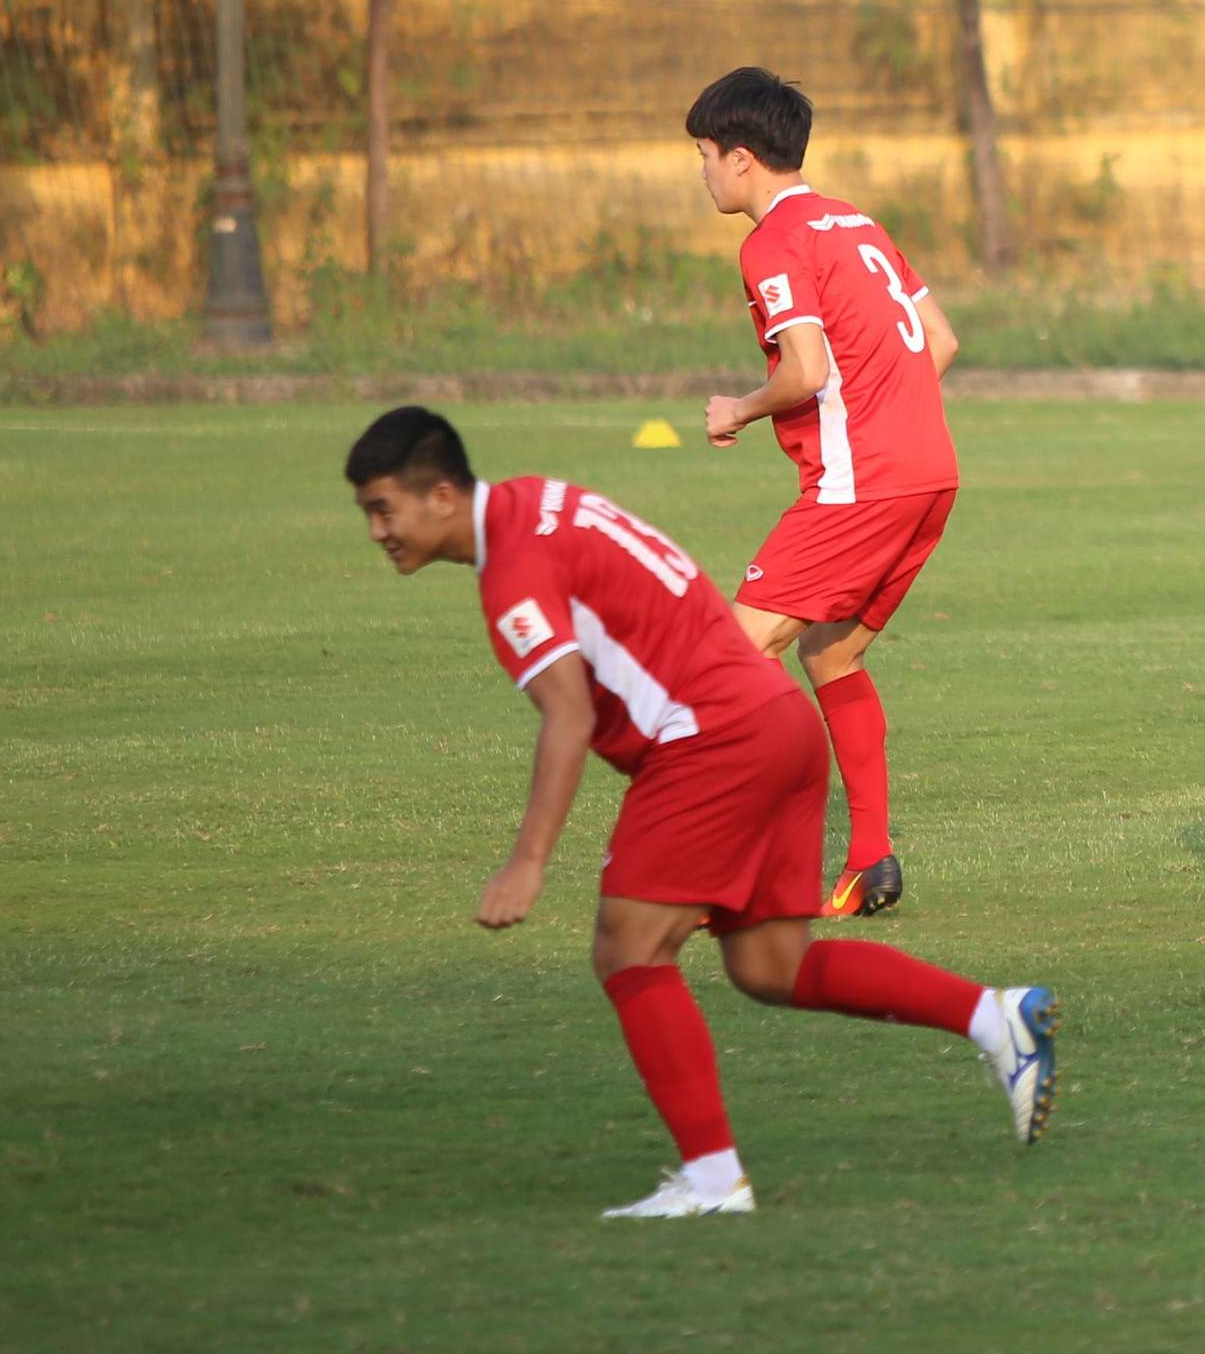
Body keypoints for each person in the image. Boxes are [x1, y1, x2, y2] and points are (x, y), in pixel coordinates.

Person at [344, 406, 1052, 1218]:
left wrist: (527, 863)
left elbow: (568, 716)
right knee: (770, 966)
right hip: (776, 719)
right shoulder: (537, 500)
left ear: (440, 496)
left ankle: (714, 1183)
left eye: (383, 510)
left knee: (629, 949)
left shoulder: (512, 569)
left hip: (711, 741)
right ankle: (994, 1017)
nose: (377, 532)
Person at [687, 65, 962, 920]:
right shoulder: (857, 223)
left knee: (730, 663)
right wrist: (886, 411)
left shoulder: (772, 242)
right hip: (929, 473)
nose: (702, 174)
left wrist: (740, 407)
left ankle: (732, 866)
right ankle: (871, 858)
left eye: (703, 156)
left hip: (861, 484)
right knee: (830, 655)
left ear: (740, 158)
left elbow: (805, 372)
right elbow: (941, 340)